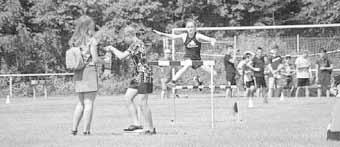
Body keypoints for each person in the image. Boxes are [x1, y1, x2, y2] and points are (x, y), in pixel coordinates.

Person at [105, 24, 156, 135]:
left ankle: (151, 129)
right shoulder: (135, 44)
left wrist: (112, 48)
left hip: (144, 75)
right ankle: (136, 124)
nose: (125, 41)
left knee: (143, 103)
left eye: (125, 38)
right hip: (137, 76)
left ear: (129, 35)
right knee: (128, 98)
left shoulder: (136, 44)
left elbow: (122, 56)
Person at [70, 15, 108, 135]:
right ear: (87, 27)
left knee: (80, 103)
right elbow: (95, 59)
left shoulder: (74, 41)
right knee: (89, 103)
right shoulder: (92, 41)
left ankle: (74, 129)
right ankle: (86, 131)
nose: (93, 29)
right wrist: (105, 60)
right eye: (92, 26)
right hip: (89, 72)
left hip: (78, 73)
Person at [153, 19, 216, 87]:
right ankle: (173, 81)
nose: (190, 29)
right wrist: (162, 34)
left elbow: (211, 39)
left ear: (195, 28)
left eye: (192, 27)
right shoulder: (184, 36)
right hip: (188, 58)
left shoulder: (198, 35)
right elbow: (173, 36)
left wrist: (212, 41)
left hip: (197, 60)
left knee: (214, 73)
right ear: (186, 28)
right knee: (188, 64)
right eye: (188, 27)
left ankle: (199, 80)